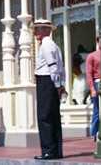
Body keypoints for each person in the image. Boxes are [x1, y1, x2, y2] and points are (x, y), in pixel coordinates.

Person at [33, 19, 65, 161]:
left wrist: (57, 85)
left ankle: (48, 151)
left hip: (46, 81)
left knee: (45, 117)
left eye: (37, 29)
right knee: (53, 117)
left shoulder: (46, 45)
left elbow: (53, 67)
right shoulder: (53, 45)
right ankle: (56, 150)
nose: (35, 32)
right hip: (50, 82)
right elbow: (60, 67)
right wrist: (59, 85)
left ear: (45, 30)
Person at [85, 38, 101, 141]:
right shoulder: (92, 56)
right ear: (97, 42)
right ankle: (94, 132)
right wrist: (92, 88)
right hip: (97, 83)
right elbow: (88, 73)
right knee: (97, 109)